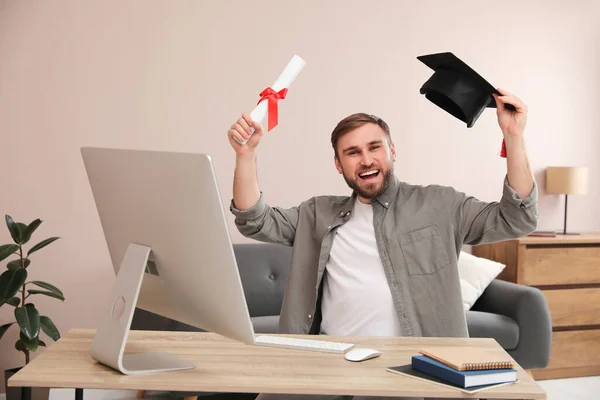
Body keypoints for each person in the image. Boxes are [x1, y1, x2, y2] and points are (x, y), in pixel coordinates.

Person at [226, 88, 538, 400]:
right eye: (352, 152)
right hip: (327, 359)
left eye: (374, 147)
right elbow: (254, 220)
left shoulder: (439, 204)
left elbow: (516, 218)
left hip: (407, 366)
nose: (365, 160)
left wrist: (513, 136)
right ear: (338, 164)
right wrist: (246, 155)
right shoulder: (316, 213)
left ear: (392, 151)